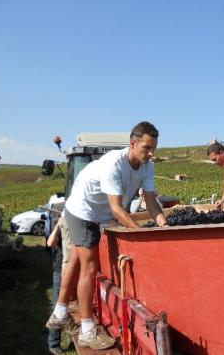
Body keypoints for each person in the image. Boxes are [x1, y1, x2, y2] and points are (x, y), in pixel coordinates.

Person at [46, 121, 168, 350]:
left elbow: (151, 201)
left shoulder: (147, 166)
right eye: (147, 148)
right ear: (133, 143)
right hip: (83, 210)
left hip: (97, 213)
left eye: (154, 148)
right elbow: (117, 210)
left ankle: (60, 312)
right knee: (89, 266)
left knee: (74, 260)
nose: (151, 153)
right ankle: (87, 330)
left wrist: (165, 228)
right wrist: (142, 236)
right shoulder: (114, 163)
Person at [46, 216, 65, 355]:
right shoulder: (61, 225)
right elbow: (50, 242)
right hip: (60, 271)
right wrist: (58, 224)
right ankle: (53, 344)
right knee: (58, 306)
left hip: (76, 271)